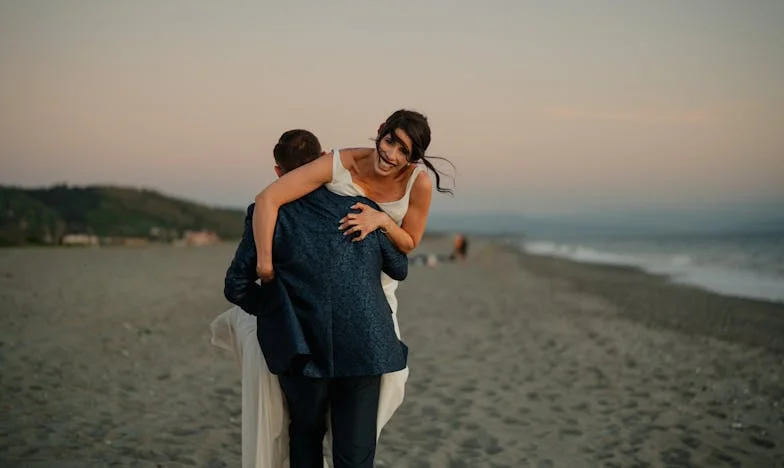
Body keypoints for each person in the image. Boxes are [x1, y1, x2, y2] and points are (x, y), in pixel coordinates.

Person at [250, 109, 451, 460]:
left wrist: (381, 221)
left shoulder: (417, 182)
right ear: (380, 131)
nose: (392, 155)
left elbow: (410, 242)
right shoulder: (340, 161)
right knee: (304, 410)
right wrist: (265, 263)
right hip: (314, 295)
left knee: (382, 395)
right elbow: (270, 199)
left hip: (373, 292)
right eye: (390, 141)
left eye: (405, 152)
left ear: (415, 157)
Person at [212, 129, 412, 468]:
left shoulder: (267, 214)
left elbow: (236, 286)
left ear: (278, 172)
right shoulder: (360, 206)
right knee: (355, 452)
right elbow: (399, 266)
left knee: (305, 434)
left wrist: (278, 308)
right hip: (365, 344)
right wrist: (378, 225)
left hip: (302, 347)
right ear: (322, 161)